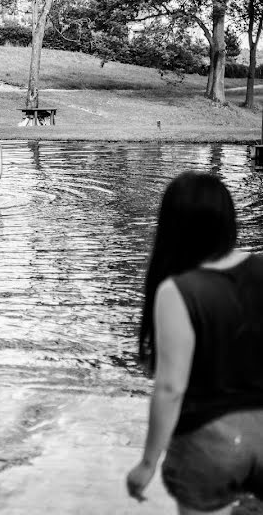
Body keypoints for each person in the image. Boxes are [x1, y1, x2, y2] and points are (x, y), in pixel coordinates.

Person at [126, 172, 263, 514]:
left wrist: (147, 462)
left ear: (173, 227)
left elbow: (171, 387)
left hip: (209, 445)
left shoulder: (178, 290)